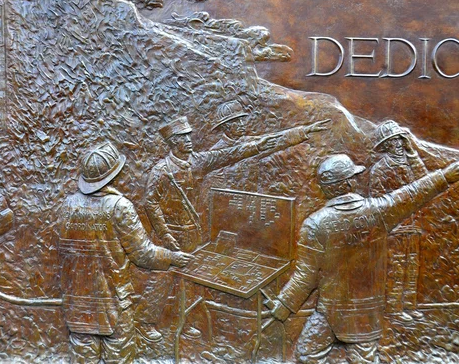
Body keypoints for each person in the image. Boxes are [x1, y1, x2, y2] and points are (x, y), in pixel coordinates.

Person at [135, 115, 330, 341]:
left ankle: (184, 322)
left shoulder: (198, 162)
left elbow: (245, 150)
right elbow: (150, 203)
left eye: (189, 136)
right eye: (182, 137)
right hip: (168, 235)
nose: (188, 140)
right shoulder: (161, 171)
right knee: (162, 278)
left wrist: (301, 131)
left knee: (191, 282)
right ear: (172, 143)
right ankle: (145, 322)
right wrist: (167, 237)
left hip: (192, 232)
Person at [270, 154, 459, 363]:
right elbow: (412, 194)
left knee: (306, 356)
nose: (357, 180)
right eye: (354, 177)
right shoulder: (378, 212)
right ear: (347, 183)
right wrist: (445, 176)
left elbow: (305, 276)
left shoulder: (315, 224)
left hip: (329, 312)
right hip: (365, 315)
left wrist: (283, 306)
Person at [59, 141, 193, 364]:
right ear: (113, 175)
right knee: (119, 354)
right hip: (112, 300)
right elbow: (143, 254)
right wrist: (172, 257)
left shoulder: (68, 205)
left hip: (77, 300)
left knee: (82, 355)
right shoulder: (120, 206)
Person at [368, 120, 428, 323]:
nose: (398, 144)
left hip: (413, 225)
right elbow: (376, 203)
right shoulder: (379, 169)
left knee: (412, 267)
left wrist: (412, 152)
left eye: (400, 140)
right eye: (393, 141)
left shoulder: (411, 163)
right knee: (397, 267)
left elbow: (425, 181)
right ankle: (394, 309)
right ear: (386, 145)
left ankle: (409, 306)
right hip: (395, 228)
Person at [208, 99, 327, 191]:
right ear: (226, 126)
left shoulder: (250, 142)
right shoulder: (214, 154)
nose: (242, 124)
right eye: (236, 121)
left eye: (242, 120)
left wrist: (305, 130)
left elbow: (276, 140)